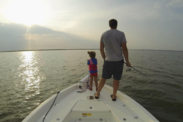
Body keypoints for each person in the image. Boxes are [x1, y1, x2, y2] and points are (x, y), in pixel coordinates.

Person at [94, 19, 131, 101]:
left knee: (103, 78)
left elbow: (101, 49)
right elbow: (124, 48)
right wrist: (127, 61)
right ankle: (114, 96)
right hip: (119, 61)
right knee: (116, 79)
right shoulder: (121, 34)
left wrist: (104, 58)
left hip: (108, 61)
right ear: (116, 25)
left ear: (109, 25)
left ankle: (97, 94)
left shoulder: (104, 34)